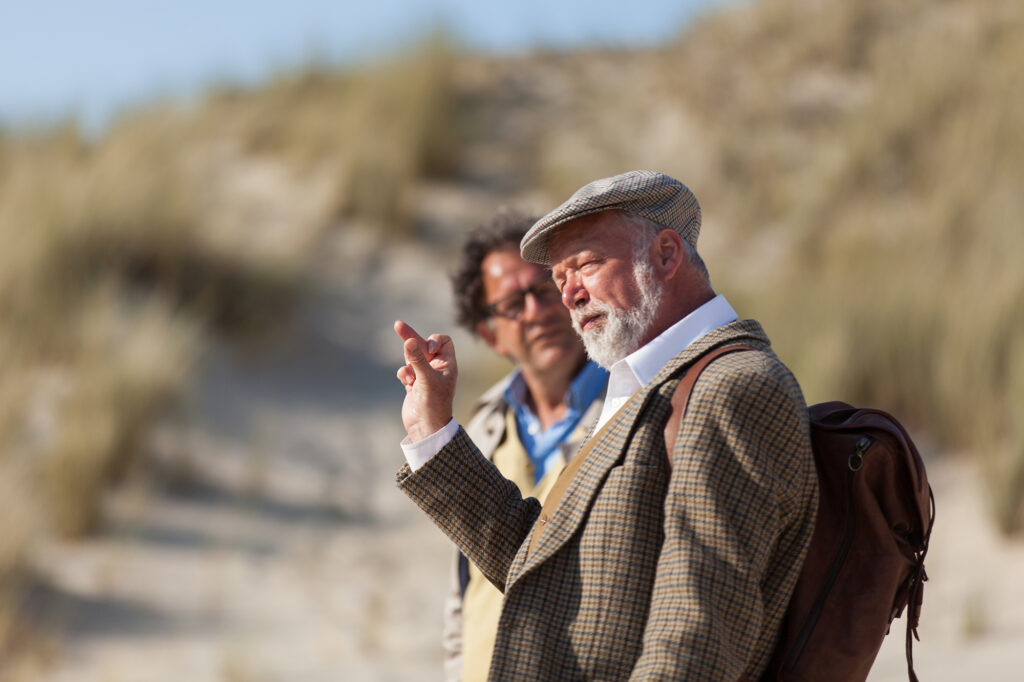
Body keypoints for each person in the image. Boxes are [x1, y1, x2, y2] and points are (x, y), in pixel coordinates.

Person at [394, 170, 819, 680]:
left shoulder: (732, 386)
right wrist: (432, 430)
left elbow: (697, 633)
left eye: (587, 265)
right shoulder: (650, 385)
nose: (569, 294)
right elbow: (547, 569)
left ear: (666, 254)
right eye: (560, 278)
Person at [441, 210, 608, 681]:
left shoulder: (634, 406)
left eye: (543, 289)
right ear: (489, 334)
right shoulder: (485, 428)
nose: (537, 312)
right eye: (514, 303)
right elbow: (463, 592)